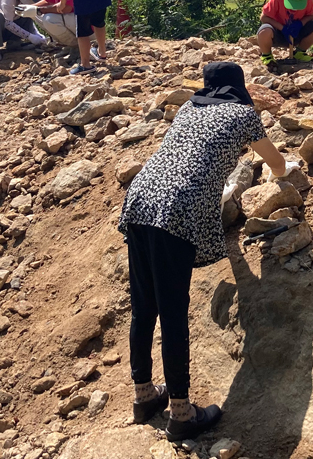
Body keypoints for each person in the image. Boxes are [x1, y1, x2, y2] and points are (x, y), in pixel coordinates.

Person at [117, 62, 296, 441]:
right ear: (239, 88)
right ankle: (182, 413)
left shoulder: (188, 109)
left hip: (139, 199)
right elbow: (277, 164)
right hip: (177, 209)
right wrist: (286, 173)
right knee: (173, 311)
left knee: (144, 306)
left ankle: (144, 396)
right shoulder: (244, 114)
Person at [258, 0, 313, 66]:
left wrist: (300, 24)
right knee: (264, 30)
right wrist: (282, 28)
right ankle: (267, 56)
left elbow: (310, 15)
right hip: (278, 33)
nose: (294, 8)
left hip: (297, 33)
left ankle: (299, 53)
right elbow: (264, 18)